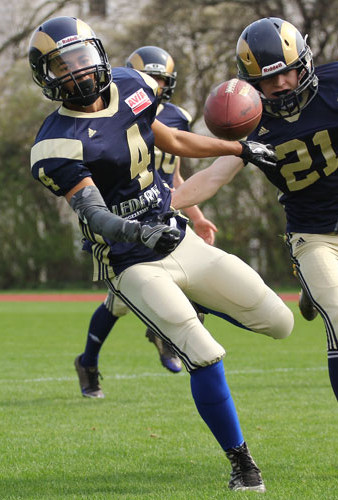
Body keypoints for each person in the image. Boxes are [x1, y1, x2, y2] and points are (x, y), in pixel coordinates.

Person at [28, 16, 294, 492]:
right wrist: (140, 235)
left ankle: (196, 304)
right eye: (62, 66)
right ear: (45, 77)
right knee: (204, 354)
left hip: (177, 234)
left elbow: (171, 141)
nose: (77, 72)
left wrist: (238, 149)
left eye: (82, 57)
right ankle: (241, 463)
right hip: (131, 260)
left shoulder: (133, 85)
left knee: (281, 322)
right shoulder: (55, 142)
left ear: (100, 53)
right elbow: (94, 214)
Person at [173, 17, 338, 483]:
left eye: (287, 71)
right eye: (267, 78)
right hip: (311, 233)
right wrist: (149, 210)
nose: (280, 84)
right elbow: (212, 179)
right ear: (251, 82)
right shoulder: (248, 117)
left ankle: (317, 288)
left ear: (305, 63)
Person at [75, 46, 217, 393]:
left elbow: (175, 174)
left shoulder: (178, 117)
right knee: (118, 305)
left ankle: (164, 332)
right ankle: (89, 361)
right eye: (150, 77)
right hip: (130, 222)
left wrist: (197, 216)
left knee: (199, 280)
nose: (155, 84)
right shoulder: (116, 113)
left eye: (162, 79)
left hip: (167, 216)